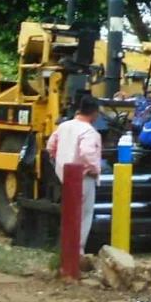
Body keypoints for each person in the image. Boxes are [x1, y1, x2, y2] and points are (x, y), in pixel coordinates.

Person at [46, 96, 102, 253]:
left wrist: (59, 161)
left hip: (64, 177)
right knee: (84, 215)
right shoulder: (89, 131)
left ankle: (66, 249)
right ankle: (77, 251)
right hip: (84, 178)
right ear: (95, 113)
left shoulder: (63, 126)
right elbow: (87, 152)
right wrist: (96, 169)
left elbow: (50, 146)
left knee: (70, 215)